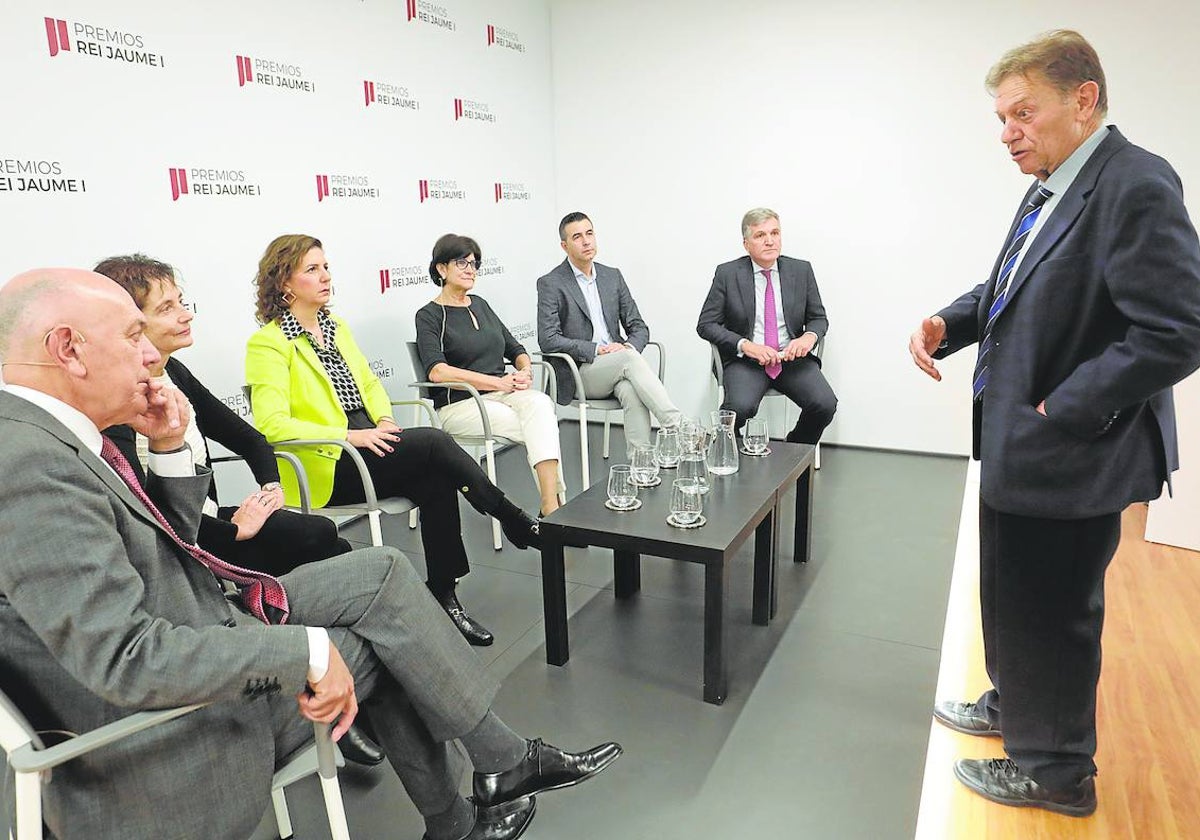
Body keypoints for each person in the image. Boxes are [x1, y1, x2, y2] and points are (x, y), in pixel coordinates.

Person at [0, 267, 622, 840]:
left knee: (381, 575)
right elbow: (125, 659)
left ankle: (496, 770)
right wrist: (309, 650)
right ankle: (473, 800)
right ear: (67, 350)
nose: (148, 353)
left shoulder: (49, 436)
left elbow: (161, 550)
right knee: (384, 639)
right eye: (135, 333)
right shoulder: (27, 464)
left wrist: (166, 452)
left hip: (201, 613)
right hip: (164, 738)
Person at [908, 30, 1200, 816]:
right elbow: (1018, 284)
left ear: (1083, 99)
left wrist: (1063, 406)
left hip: (1074, 450)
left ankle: (1057, 771)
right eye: (1002, 117)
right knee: (1009, 595)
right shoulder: (1054, 181)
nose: (1008, 132)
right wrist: (950, 320)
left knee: (1055, 613)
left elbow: (1178, 329)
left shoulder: (1135, 183)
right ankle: (1013, 709)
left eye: (1022, 113)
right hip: (1018, 445)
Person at [95, 253, 384, 766]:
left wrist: (269, 490)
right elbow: (154, 523)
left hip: (216, 521)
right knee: (320, 545)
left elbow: (248, 438)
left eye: (183, 302)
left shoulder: (175, 371)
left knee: (323, 539)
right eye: (169, 308)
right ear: (130, 324)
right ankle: (332, 684)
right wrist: (236, 528)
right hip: (183, 544)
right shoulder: (112, 404)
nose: (186, 314)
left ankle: (341, 680)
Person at [245, 234, 542, 648]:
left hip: (372, 444)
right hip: (330, 458)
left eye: (326, 266)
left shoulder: (336, 328)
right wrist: (351, 434)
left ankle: (444, 593)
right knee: (436, 443)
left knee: (437, 480)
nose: (326, 275)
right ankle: (511, 516)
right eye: (312, 269)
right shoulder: (268, 344)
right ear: (284, 283)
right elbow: (272, 423)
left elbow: (368, 382)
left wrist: (383, 418)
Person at [416, 234, 565, 517]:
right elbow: (437, 371)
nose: (470, 269)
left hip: (502, 395)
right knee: (541, 426)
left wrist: (524, 370)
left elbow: (515, 348)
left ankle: (551, 507)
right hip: (460, 405)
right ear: (441, 269)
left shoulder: (480, 304)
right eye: (462, 262)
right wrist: (499, 382)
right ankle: (555, 508)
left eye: (474, 263)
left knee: (541, 405)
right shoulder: (429, 315)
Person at [536, 211, 681, 458]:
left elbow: (639, 327)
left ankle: (640, 461)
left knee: (631, 388)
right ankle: (676, 425)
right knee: (628, 358)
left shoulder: (612, 276)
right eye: (577, 237)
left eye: (590, 233)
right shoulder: (551, 282)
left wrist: (625, 347)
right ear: (564, 245)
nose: (586, 241)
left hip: (617, 367)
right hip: (579, 371)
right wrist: (598, 350)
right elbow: (548, 339)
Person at [696, 208, 837, 444]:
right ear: (746, 243)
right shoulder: (727, 274)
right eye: (760, 235)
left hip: (790, 360)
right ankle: (729, 451)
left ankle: (793, 453)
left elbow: (818, 318)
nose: (770, 241)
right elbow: (706, 324)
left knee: (825, 404)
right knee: (738, 409)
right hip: (747, 361)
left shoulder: (801, 271)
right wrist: (746, 345)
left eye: (775, 233)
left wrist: (807, 338)